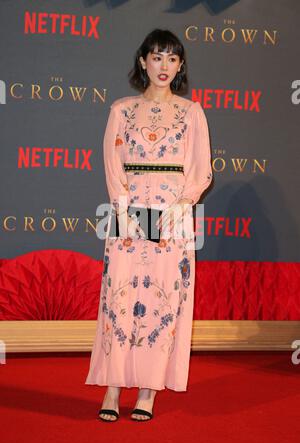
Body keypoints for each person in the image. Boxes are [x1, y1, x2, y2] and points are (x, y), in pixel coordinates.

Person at [85, 28, 213, 422]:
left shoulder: (191, 112)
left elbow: (200, 171)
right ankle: (111, 389)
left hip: (173, 217)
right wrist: (126, 211)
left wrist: (179, 208)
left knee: (163, 301)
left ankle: (147, 392)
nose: (164, 66)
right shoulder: (121, 109)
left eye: (172, 58)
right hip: (129, 213)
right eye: (157, 57)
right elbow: (111, 164)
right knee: (120, 300)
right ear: (143, 61)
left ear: (180, 66)